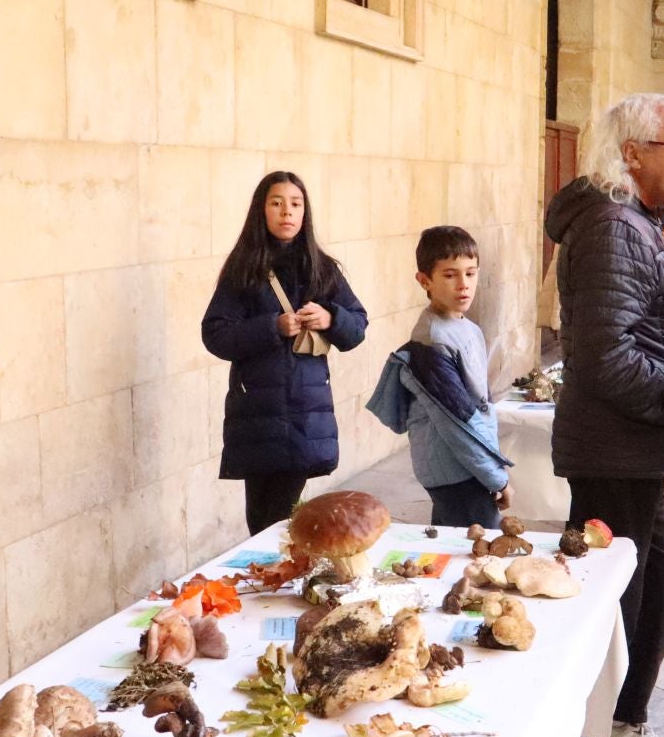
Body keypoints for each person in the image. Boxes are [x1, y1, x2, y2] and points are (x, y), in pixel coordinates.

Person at [545, 93, 664, 737]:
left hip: (631, 443)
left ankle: (624, 719)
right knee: (610, 602)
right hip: (617, 445)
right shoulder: (615, 225)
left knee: (657, 576)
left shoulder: (631, 220)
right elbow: (606, 357)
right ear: (634, 153)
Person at [202, 172, 369, 534]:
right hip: (257, 415)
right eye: (276, 203)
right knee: (263, 520)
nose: (286, 212)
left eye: (295, 204)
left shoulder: (322, 268)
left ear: (305, 212)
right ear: (261, 210)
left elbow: (357, 328)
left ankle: (280, 579)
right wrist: (271, 327)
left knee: (277, 520)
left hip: (305, 415)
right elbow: (215, 334)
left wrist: (330, 317)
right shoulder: (243, 270)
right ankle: (275, 581)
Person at [365, 226, 514, 529]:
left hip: (467, 466)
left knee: (450, 548)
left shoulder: (467, 327)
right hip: (453, 471)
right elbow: (458, 422)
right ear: (425, 281)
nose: (464, 285)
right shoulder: (431, 340)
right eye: (450, 275)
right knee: (479, 554)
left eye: (470, 273)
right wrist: (497, 478)